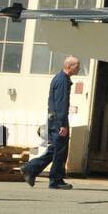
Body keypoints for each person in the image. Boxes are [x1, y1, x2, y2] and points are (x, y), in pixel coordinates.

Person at [21, 56, 79, 190]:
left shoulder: (61, 79)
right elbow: (61, 104)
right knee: (60, 151)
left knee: (54, 149)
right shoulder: (62, 81)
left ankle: (30, 168)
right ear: (69, 66)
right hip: (58, 121)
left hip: (54, 120)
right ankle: (55, 180)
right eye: (77, 66)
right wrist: (62, 124)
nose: (79, 68)